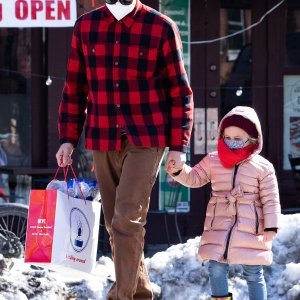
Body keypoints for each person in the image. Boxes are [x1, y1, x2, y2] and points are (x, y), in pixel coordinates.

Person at [55, 0, 193, 299]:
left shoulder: (161, 27)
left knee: (126, 220)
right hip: (102, 135)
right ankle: (141, 293)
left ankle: (120, 296)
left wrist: (178, 146)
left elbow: (179, 91)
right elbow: (75, 87)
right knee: (114, 224)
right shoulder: (86, 26)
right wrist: (67, 137)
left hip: (147, 136)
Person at [166, 106, 281, 300]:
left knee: (253, 272)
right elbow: (195, 178)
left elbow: (271, 199)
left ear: (252, 140)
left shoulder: (263, 167)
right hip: (219, 223)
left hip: (251, 227)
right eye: (227, 137)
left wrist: (271, 226)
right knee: (216, 267)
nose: (231, 142)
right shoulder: (213, 160)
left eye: (238, 139)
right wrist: (179, 171)